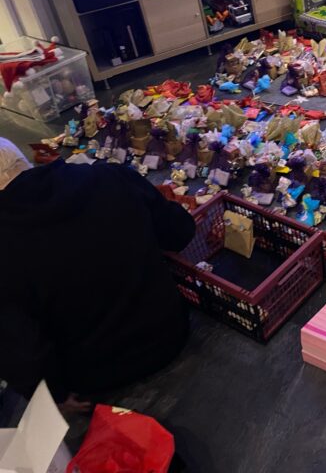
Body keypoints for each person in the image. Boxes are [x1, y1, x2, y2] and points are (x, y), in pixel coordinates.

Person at [0, 137, 196, 412]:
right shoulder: (109, 176)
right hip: (169, 335)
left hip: (95, 379)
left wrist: (54, 394)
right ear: (24, 162)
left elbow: (17, 346)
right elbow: (180, 232)